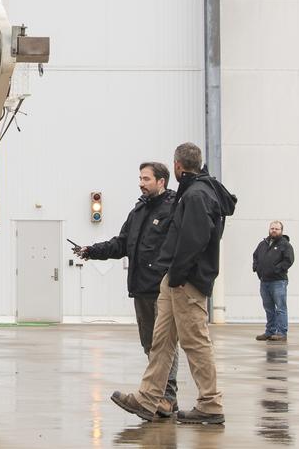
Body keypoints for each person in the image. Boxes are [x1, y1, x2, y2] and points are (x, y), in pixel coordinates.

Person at [111, 142, 237, 426]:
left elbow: (195, 241)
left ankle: (210, 403)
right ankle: (149, 398)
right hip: (173, 280)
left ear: (177, 166)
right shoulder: (193, 191)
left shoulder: (196, 194)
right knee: (161, 342)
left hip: (186, 281)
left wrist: (178, 276)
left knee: (195, 342)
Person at [75, 162, 180, 415]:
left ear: (161, 181)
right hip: (141, 288)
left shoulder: (174, 208)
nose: (141, 183)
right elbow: (121, 244)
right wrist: (91, 251)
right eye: (140, 178)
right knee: (149, 344)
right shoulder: (139, 210)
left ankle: (166, 398)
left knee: (163, 345)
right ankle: (162, 397)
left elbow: (179, 247)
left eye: (146, 178)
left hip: (161, 289)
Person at [253, 220, 294, 341]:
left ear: (281, 231)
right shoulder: (263, 244)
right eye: (272, 228)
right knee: (268, 308)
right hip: (264, 281)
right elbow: (255, 256)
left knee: (280, 308)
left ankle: (281, 333)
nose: (274, 230)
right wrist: (256, 268)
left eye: (277, 229)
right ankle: (270, 331)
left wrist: (277, 270)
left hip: (278, 282)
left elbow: (289, 260)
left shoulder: (285, 244)